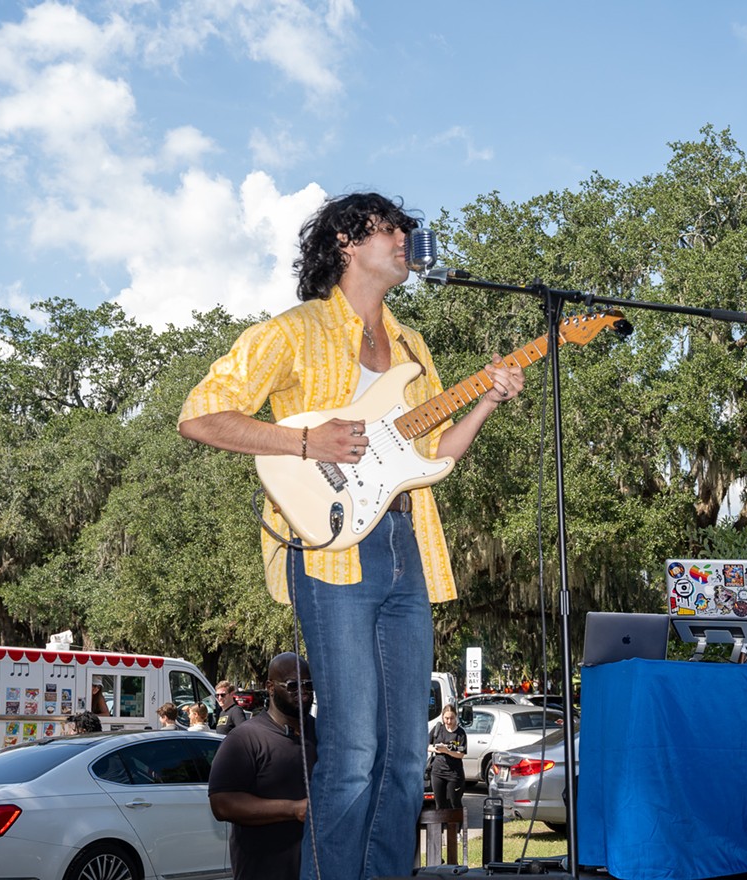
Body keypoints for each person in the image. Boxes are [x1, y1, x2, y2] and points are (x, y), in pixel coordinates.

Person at [178, 192, 523, 880]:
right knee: (354, 752)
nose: (405, 238)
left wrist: (485, 397)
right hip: (333, 551)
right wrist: (306, 440)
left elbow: (435, 458)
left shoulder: (411, 346)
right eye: (391, 227)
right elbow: (201, 415)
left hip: (407, 546)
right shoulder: (295, 330)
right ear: (345, 239)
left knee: (402, 758)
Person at [209, 653, 317, 880]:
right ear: (269, 687)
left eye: (308, 684)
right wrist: (294, 809)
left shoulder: (324, 734)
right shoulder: (245, 738)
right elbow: (222, 804)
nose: (303, 691)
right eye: (292, 685)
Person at [427, 703, 467, 810]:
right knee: (440, 805)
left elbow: (461, 754)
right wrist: (436, 749)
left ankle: (455, 826)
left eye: (452, 718)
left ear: (456, 717)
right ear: (443, 717)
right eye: (446, 718)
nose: (449, 721)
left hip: (454, 774)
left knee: (454, 803)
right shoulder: (438, 729)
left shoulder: (460, 733)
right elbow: (424, 745)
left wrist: (447, 751)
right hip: (438, 772)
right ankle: (442, 826)